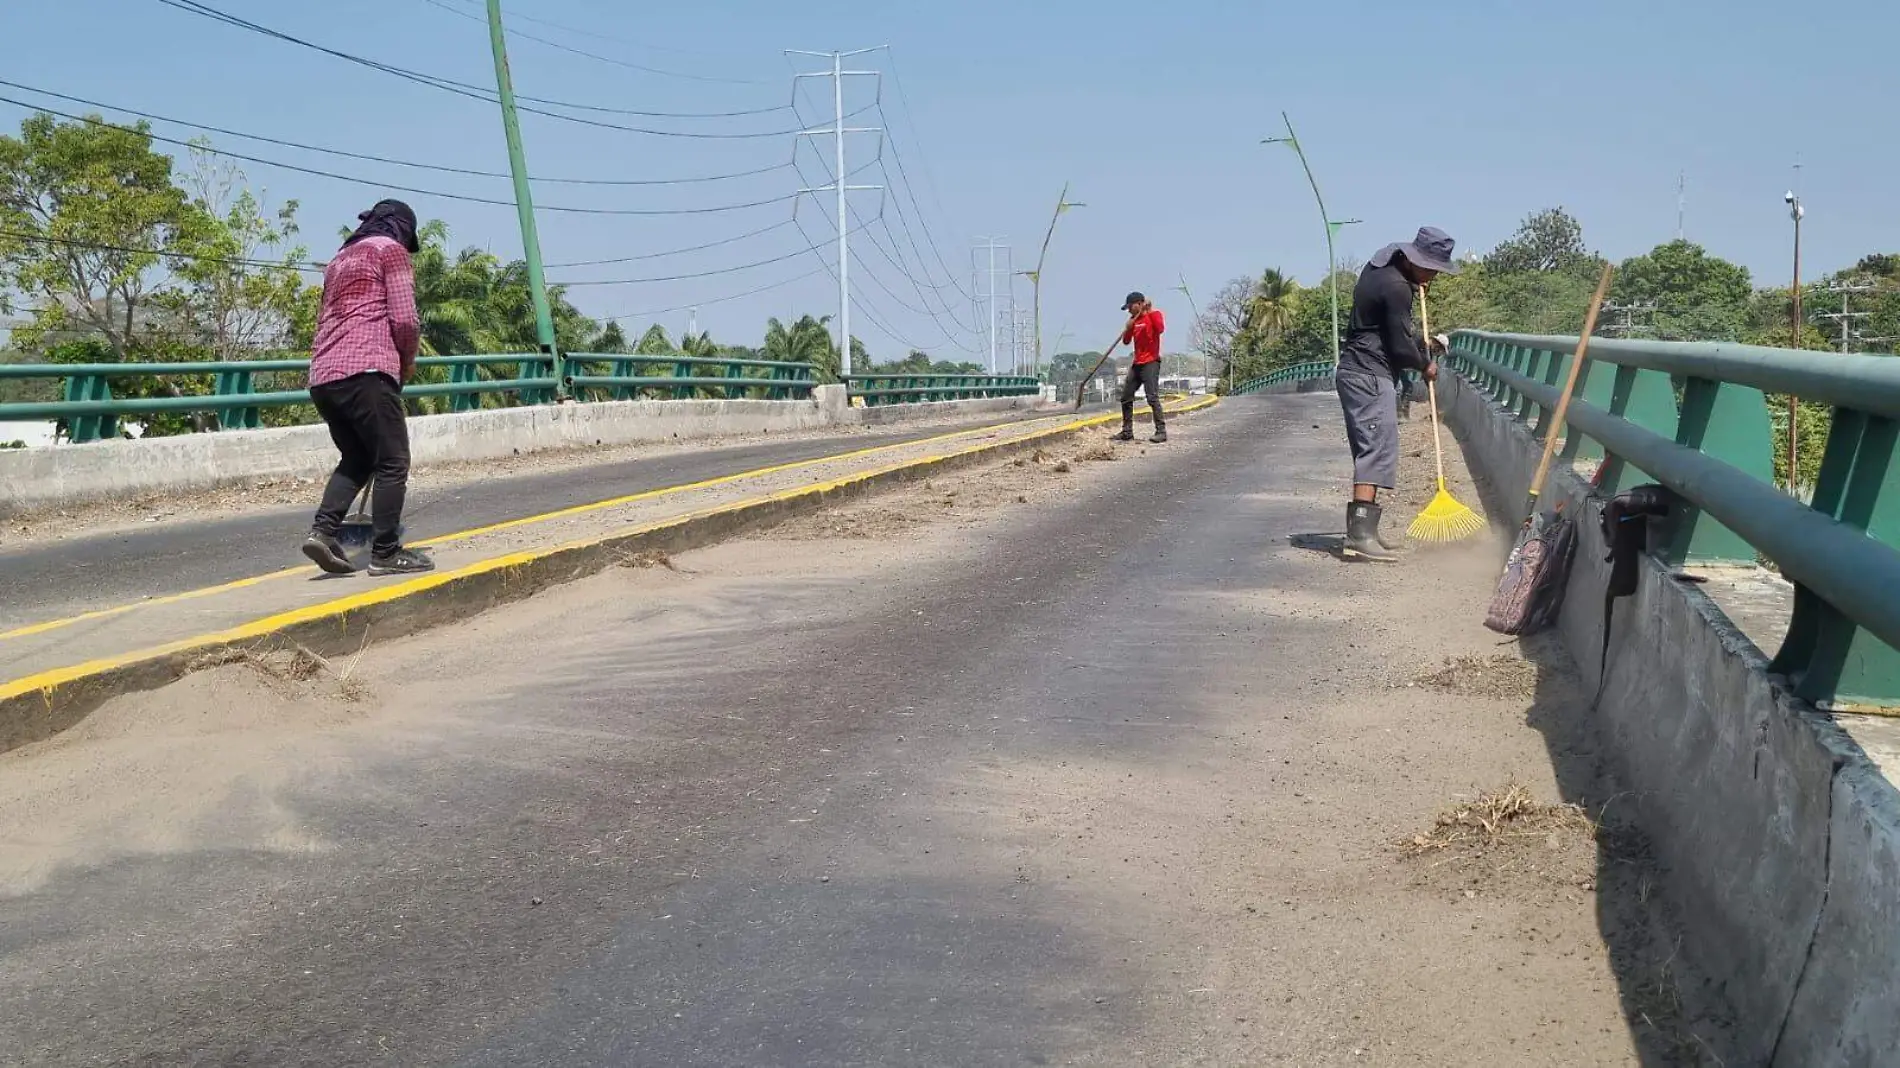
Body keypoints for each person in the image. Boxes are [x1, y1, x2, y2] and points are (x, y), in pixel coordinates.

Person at [299, 199, 434, 576]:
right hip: (368, 369)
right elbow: (405, 321)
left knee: (358, 457)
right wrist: (406, 363)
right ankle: (386, 553)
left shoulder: (338, 260)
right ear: (401, 229)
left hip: (324, 376)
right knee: (393, 460)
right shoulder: (391, 252)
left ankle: (323, 533)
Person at [1335, 226, 1459, 562]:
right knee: (1374, 450)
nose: (1432, 277)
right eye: (1430, 269)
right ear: (1414, 259)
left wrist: (1420, 344)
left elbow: (1388, 330)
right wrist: (1424, 364)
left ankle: (1366, 532)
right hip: (1369, 375)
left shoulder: (1380, 269)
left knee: (1373, 449)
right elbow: (1399, 347)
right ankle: (1360, 536)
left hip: (1357, 371)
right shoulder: (1396, 288)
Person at [1111, 291, 1167, 444]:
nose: (1129, 310)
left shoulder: (1154, 315)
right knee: (1126, 397)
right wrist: (1128, 328)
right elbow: (1127, 342)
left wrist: (1149, 311)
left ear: (1139, 304)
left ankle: (1161, 431)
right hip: (1137, 363)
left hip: (1151, 362)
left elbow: (1160, 329)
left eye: (1130, 307)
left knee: (1152, 397)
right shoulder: (1133, 321)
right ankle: (1127, 432)